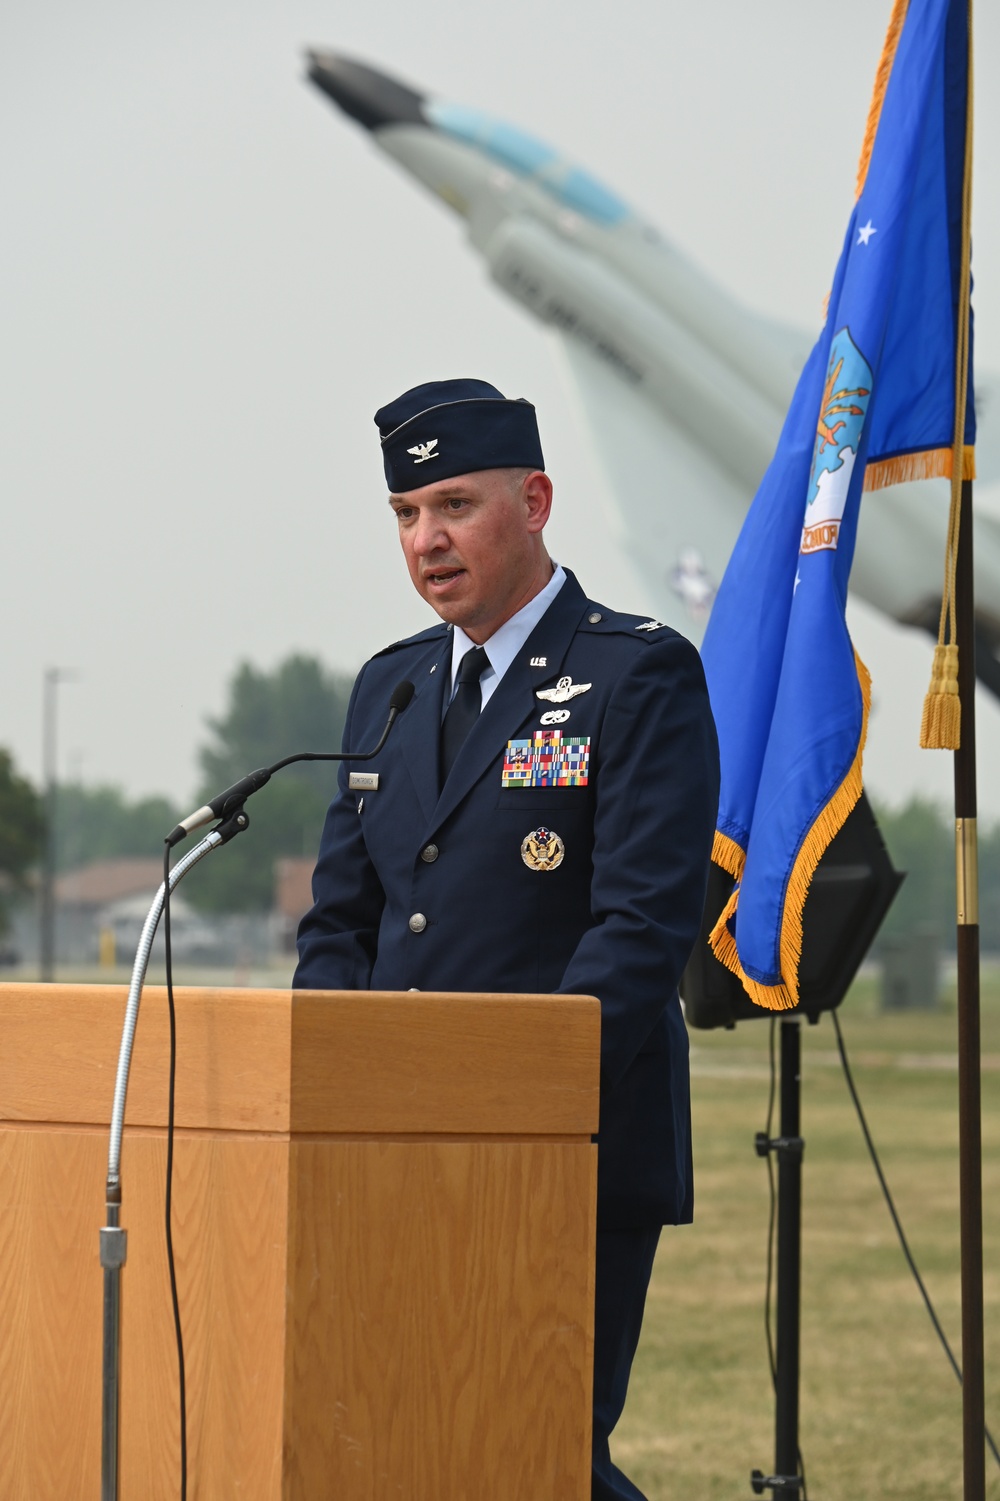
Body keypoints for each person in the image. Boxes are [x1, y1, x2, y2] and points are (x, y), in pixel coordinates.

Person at [295, 377, 720, 1500]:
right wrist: (325, 1094)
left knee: (532, 1456)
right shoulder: (389, 690)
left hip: (561, 1153)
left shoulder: (636, 674)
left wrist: (521, 1100)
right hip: (388, 1152)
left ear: (533, 500)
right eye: (404, 515)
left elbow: (637, 927)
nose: (426, 540)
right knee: (408, 1446)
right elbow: (343, 923)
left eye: (453, 505)